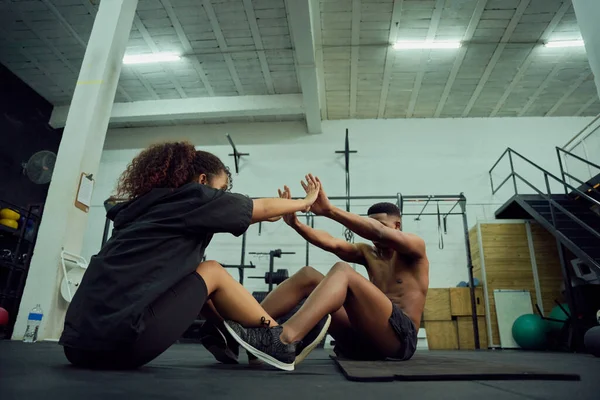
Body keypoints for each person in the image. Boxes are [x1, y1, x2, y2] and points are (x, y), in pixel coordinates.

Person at [59, 142, 327, 372]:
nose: (221, 198)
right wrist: (306, 201)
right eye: (220, 190)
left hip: (76, 345)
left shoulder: (147, 208)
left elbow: (261, 212)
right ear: (202, 181)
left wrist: (273, 213)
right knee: (211, 270)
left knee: (191, 273)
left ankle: (226, 333)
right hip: (119, 345)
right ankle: (277, 339)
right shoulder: (194, 197)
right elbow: (262, 206)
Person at [224, 175, 429, 362]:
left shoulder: (414, 248)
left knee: (343, 270)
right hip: (365, 338)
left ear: (397, 225)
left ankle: (284, 340)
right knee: (309, 275)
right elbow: (331, 243)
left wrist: (329, 210)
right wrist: (296, 224)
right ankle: (247, 330)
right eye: (372, 224)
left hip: (400, 339)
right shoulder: (368, 253)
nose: (375, 232)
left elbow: (379, 234)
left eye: (383, 224)